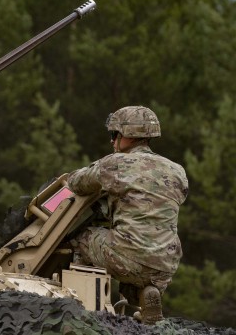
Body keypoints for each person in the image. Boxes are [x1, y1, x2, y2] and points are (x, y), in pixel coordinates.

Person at [66, 106, 188, 324]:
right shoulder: (177, 170)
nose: (112, 142)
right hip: (165, 265)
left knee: (81, 238)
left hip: (127, 257)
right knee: (136, 250)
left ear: (125, 136)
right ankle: (148, 296)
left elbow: (76, 183)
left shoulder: (116, 164)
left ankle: (81, 310)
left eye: (114, 135)